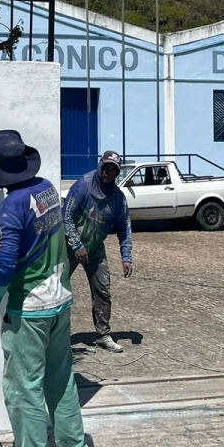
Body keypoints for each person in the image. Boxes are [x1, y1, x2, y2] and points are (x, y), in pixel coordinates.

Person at [0, 129, 90, 447]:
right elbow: (37, 228)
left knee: (24, 389)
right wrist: (2, 222)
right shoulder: (46, 189)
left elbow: (6, 262)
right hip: (60, 302)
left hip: (30, 311)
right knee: (61, 382)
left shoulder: (12, 206)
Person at [62, 150, 134, 353]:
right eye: (106, 167)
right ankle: (57, 336)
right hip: (69, 247)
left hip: (95, 249)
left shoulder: (118, 199)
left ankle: (103, 335)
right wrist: (76, 245)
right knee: (59, 290)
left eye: (113, 169)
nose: (108, 172)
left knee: (103, 290)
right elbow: (65, 217)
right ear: (100, 166)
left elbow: (125, 229)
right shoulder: (82, 186)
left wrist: (126, 257)